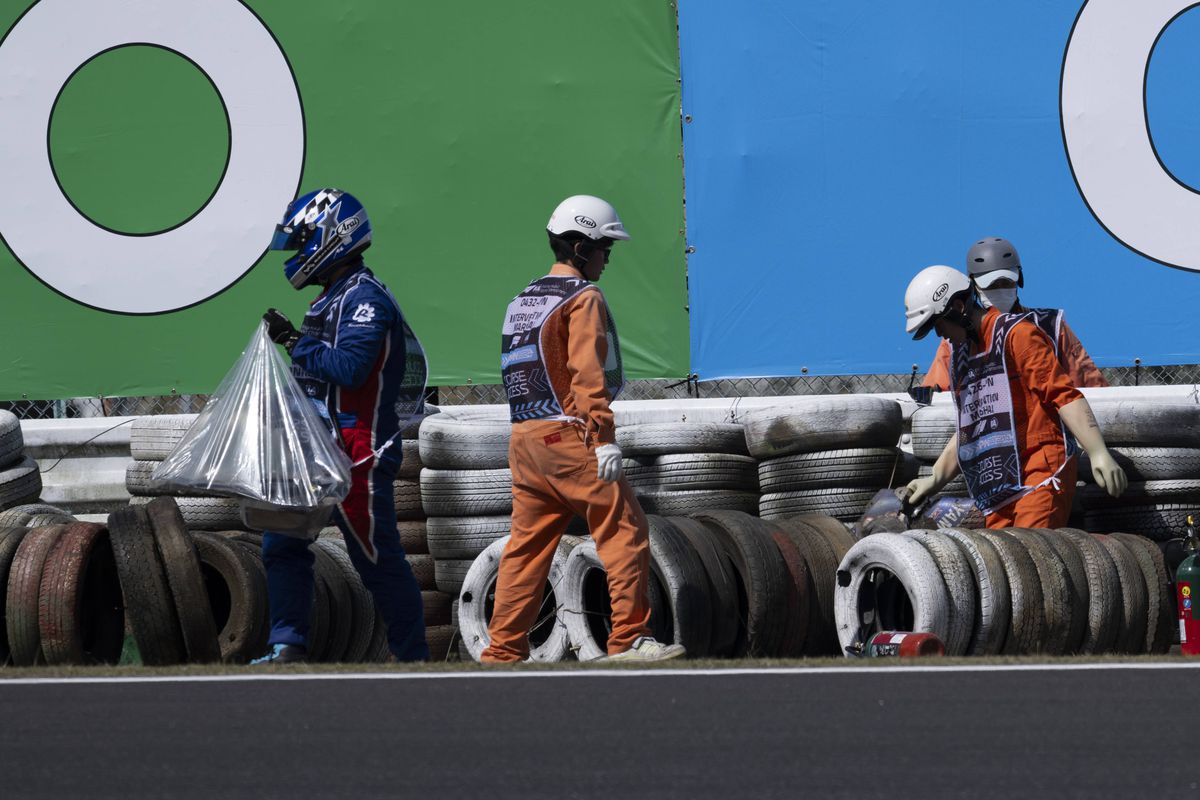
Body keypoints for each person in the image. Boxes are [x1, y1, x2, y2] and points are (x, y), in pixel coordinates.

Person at [481, 195, 684, 663]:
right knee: (625, 527)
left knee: (526, 550)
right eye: (602, 248)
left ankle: (502, 651)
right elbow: (587, 374)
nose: (607, 258)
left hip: (524, 440)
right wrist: (604, 438)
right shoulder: (583, 298)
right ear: (578, 247)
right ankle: (630, 638)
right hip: (568, 438)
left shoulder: (522, 300)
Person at [256, 188, 428, 663]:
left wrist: (294, 341)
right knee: (281, 545)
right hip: (313, 453)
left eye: (303, 241)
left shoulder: (365, 299)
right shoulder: (330, 298)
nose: (294, 255)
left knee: (378, 562)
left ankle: (414, 661)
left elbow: (351, 369)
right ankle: (287, 646)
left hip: (359, 454)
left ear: (332, 237)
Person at [901, 265, 1127, 529]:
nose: (939, 335)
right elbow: (970, 428)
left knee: (1031, 560)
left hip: (1040, 476)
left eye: (938, 325)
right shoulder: (960, 357)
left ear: (959, 308)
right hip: (998, 487)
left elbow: (1063, 395)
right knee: (1006, 566)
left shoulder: (1017, 334)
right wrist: (935, 478)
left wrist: (1097, 452)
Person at [921, 237, 1107, 392]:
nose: (1000, 290)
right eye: (991, 285)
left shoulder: (1051, 325)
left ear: (1019, 280)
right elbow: (938, 387)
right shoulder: (956, 341)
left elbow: (1091, 388)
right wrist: (930, 392)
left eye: (1007, 283)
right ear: (973, 287)